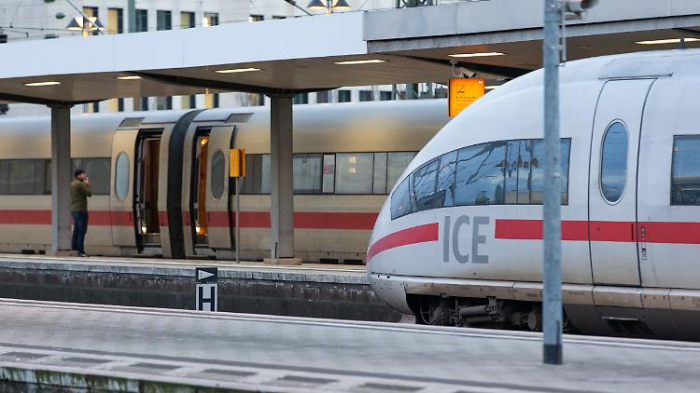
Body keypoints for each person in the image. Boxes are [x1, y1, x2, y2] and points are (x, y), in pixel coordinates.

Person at [70, 169, 92, 257]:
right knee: (82, 230)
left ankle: (74, 248)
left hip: (74, 209)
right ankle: (81, 251)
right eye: (83, 174)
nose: (85, 175)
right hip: (81, 210)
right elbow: (89, 193)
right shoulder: (80, 184)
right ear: (78, 175)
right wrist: (87, 185)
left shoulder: (72, 183)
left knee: (76, 230)